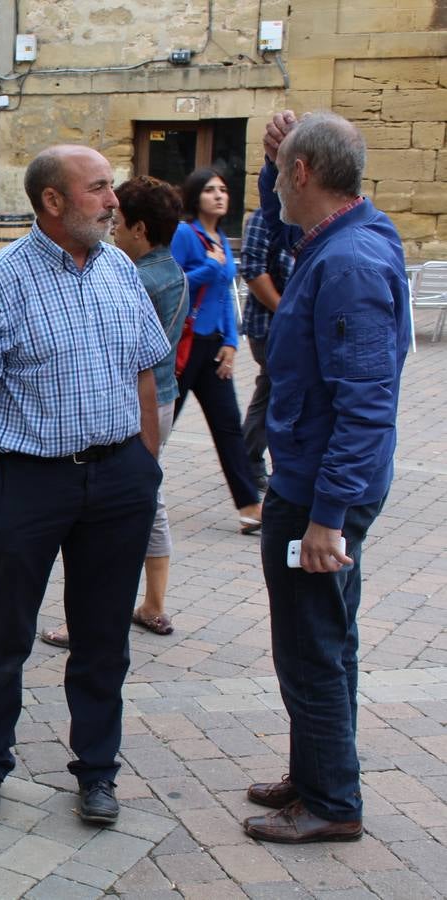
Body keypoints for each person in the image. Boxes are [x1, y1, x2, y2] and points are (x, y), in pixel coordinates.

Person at [0, 145, 169, 826]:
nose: (113, 202)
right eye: (99, 189)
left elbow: (145, 374)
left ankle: (97, 774)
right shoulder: (1, 281)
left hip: (118, 480)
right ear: (53, 201)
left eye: (111, 190)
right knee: (7, 633)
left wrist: (145, 468)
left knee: (104, 639)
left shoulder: (119, 272)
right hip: (32, 484)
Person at [242, 111, 411, 844]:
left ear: (304, 174)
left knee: (312, 645)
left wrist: (327, 516)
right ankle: (315, 770)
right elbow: (283, 232)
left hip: (319, 491)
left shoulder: (349, 262)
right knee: (323, 636)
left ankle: (332, 801)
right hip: (314, 480)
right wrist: (271, 165)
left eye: (282, 172)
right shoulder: (340, 236)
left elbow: (365, 402)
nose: (276, 183)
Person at [40, 175, 189, 649]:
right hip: (163, 395)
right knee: (149, 498)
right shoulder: (174, 270)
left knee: (109, 509)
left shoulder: (134, 276)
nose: (113, 228)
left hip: (134, 401)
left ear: (141, 230)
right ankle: (154, 603)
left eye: (120, 222)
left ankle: (89, 615)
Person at [171, 169, 264, 534]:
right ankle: (126, 495)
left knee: (229, 428)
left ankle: (249, 507)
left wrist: (231, 341)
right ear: (196, 197)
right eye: (210, 190)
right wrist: (210, 266)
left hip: (212, 348)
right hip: (185, 346)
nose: (219, 196)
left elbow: (226, 294)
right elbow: (173, 282)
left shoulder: (220, 237)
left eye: (223, 190)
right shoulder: (184, 235)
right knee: (159, 426)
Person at [238, 209, 295, 493]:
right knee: (275, 392)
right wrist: (287, 312)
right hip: (270, 326)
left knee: (272, 391)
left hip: (294, 326)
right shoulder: (265, 218)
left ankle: (249, 459)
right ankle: (249, 460)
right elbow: (253, 270)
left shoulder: (306, 219)